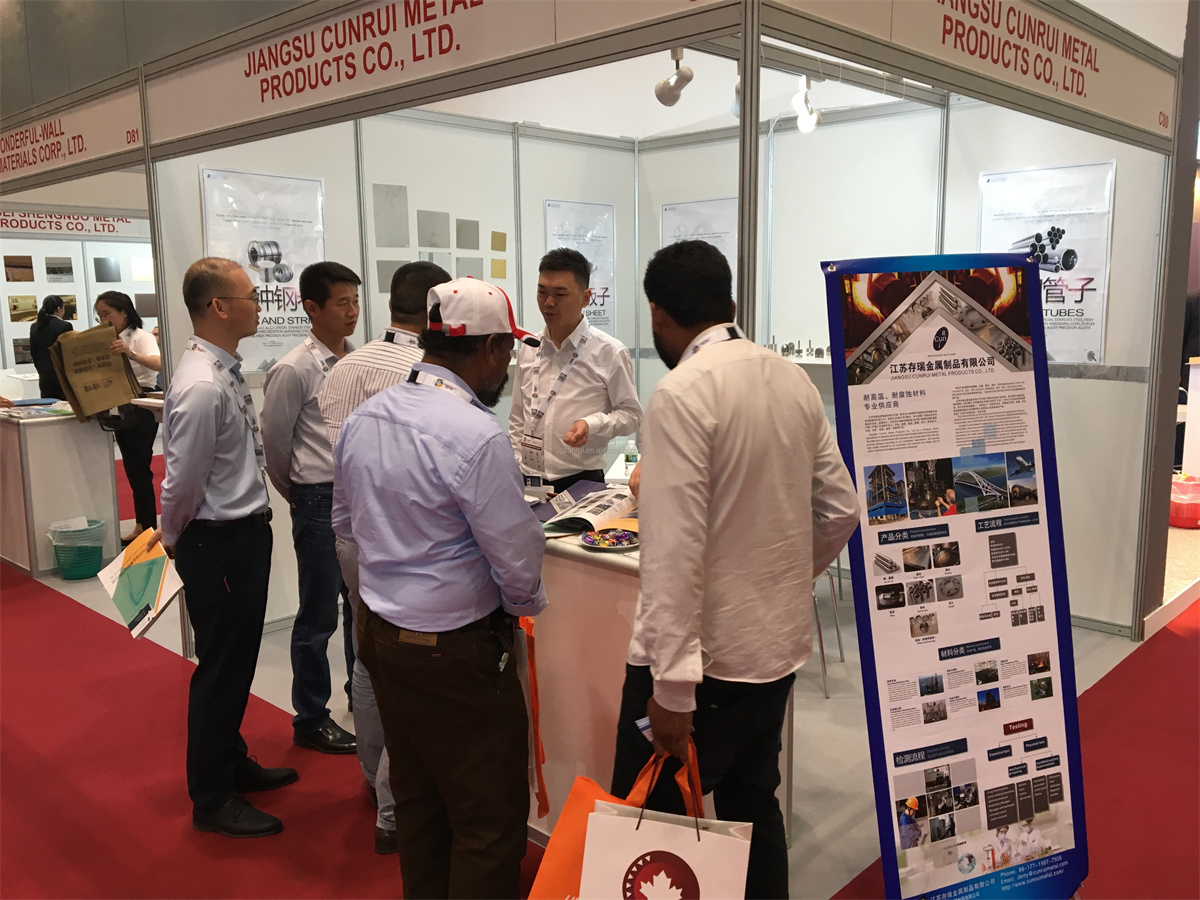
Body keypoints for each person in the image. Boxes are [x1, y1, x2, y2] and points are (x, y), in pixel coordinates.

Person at [610, 240, 860, 899]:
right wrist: (782, 579)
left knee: (649, 832)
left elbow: (672, 555)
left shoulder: (682, 392)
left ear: (657, 313)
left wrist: (671, 692)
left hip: (702, 666)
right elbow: (841, 510)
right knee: (752, 805)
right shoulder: (789, 377)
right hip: (774, 653)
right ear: (730, 302)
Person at [334, 277, 548, 898]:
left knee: (420, 800)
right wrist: (522, 609)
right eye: (506, 350)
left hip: (382, 636)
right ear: (488, 349)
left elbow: (344, 524)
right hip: (456, 652)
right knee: (487, 818)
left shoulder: (366, 418)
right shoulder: (476, 435)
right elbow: (517, 560)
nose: (507, 364)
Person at [155, 257, 297, 838]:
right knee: (221, 665)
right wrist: (171, 539)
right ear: (218, 306)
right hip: (217, 540)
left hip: (239, 535)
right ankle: (212, 795)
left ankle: (230, 760)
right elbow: (182, 480)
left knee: (237, 658)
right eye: (249, 297)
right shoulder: (202, 384)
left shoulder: (220, 370)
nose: (258, 305)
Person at [317, 259, 451, 855]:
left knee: (369, 659)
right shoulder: (427, 373)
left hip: (352, 530)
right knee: (411, 667)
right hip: (410, 541)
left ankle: (376, 782)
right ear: (437, 307)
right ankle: (397, 808)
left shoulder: (346, 366)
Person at [261, 261, 360, 755]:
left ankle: (360, 695)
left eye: (355, 301)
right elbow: (275, 447)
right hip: (318, 498)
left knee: (360, 607)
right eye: (342, 303)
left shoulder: (358, 360)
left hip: (358, 496)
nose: (352, 311)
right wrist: (298, 494)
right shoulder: (294, 368)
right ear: (312, 308)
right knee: (318, 614)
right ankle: (311, 717)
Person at [509, 247, 641, 494]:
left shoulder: (609, 352)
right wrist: (516, 463)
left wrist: (593, 424)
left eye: (560, 294)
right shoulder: (530, 347)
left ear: (585, 298)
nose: (548, 303)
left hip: (581, 483)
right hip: (527, 482)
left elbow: (632, 415)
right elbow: (518, 415)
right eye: (542, 292)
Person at [95, 291, 162, 544]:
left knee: (140, 469)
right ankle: (141, 524)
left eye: (107, 314)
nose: (104, 320)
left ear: (124, 312)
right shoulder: (108, 338)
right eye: (100, 316)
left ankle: (148, 529)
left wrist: (130, 354)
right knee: (132, 469)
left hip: (141, 404)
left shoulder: (141, 337)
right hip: (119, 403)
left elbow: (159, 363)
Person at [27, 295, 73, 400]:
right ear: (58, 309)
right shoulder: (65, 326)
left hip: (44, 375)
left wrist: (41, 368)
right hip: (61, 375)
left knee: (47, 404)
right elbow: (68, 352)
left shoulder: (35, 326)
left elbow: (34, 352)